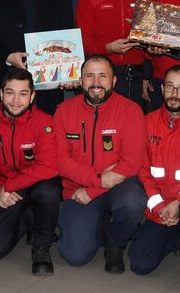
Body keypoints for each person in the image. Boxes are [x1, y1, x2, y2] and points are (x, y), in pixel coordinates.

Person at [53, 55, 149, 272]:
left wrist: (93, 189)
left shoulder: (131, 110)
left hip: (118, 185)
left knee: (133, 201)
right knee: (74, 256)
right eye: (90, 76)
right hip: (77, 188)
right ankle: (97, 225)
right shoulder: (64, 111)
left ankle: (115, 244)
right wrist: (96, 180)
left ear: (114, 81)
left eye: (102, 76)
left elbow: (132, 162)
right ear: (80, 81)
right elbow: (60, 161)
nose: (96, 82)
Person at [0, 67, 61, 275]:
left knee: (48, 191)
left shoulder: (44, 122)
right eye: (10, 92)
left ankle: (41, 247)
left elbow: (48, 166)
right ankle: (26, 220)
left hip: (34, 184)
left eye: (23, 93)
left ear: (32, 96)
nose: (16, 100)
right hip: (4, 188)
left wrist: (10, 185)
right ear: (0, 94)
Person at [129, 65, 180, 275]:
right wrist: (160, 207)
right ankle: (174, 237)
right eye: (170, 87)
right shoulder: (147, 123)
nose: (174, 93)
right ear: (162, 88)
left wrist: (178, 202)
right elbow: (143, 170)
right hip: (161, 209)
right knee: (140, 264)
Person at [77, 0, 152, 107]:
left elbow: (151, 40)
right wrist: (108, 48)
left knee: (133, 122)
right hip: (101, 78)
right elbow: (84, 43)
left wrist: (147, 73)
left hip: (135, 78)